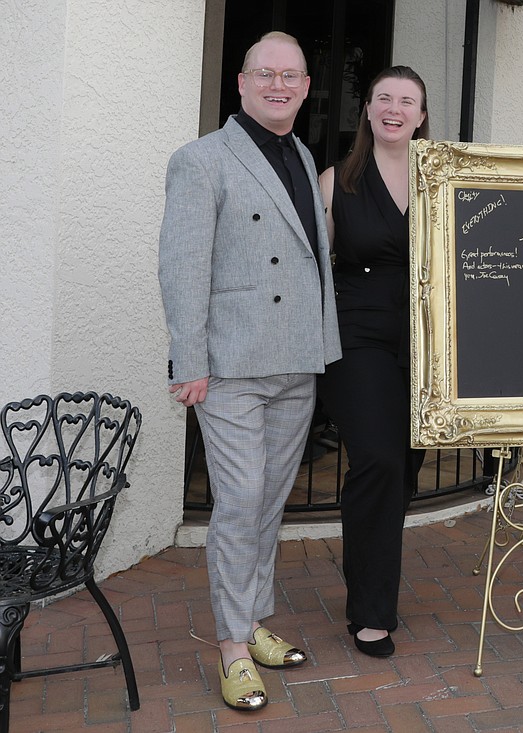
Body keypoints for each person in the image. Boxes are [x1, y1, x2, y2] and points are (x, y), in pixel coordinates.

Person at [158, 31, 341, 711]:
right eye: (266, 73)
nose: (278, 85)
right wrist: (189, 360)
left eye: (290, 75)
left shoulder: (302, 153)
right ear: (241, 82)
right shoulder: (201, 159)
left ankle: (254, 619)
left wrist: (323, 342)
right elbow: (182, 266)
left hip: (294, 357)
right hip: (232, 363)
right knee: (239, 500)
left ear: (305, 86)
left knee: (269, 501)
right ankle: (233, 645)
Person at [316, 66, 429, 658]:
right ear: (367, 109)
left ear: (421, 116)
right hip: (357, 336)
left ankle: (370, 576)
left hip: (429, 343)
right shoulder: (335, 182)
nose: (394, 108)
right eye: (384, 97)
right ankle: (370, 612)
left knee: (403, 468)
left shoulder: (443, 180)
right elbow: (312, 266)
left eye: (407, 101)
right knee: (379, 461)